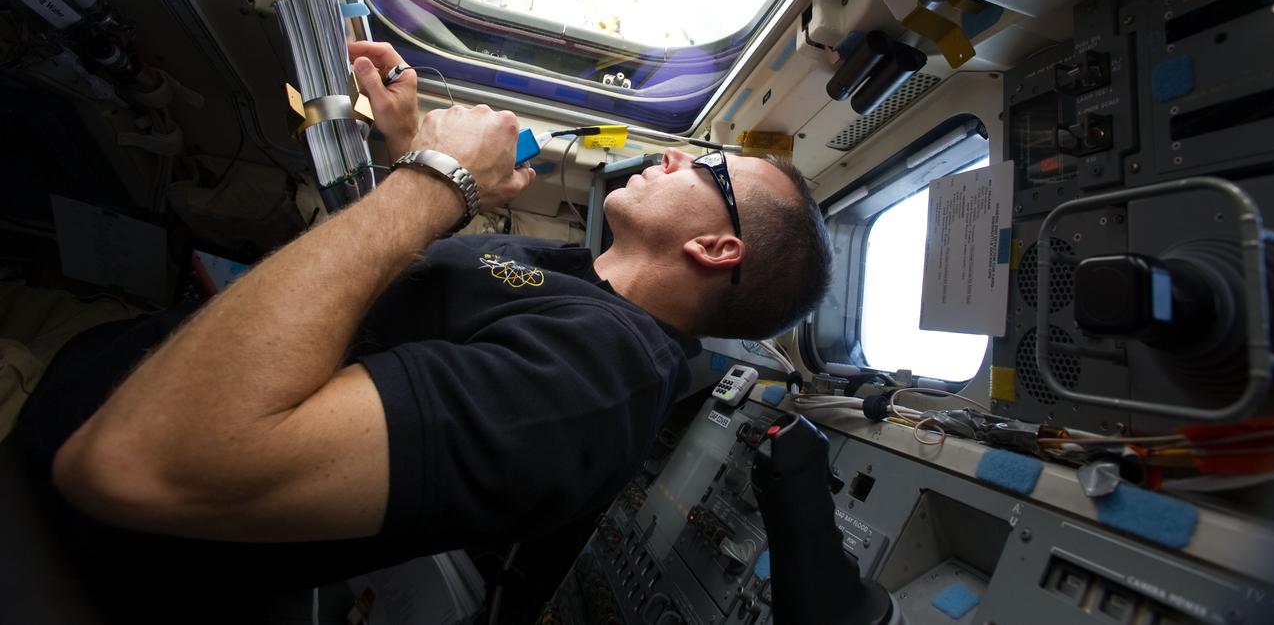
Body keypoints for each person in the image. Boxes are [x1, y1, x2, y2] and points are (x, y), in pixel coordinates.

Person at [3, 40, 832, 620]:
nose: (678, 155)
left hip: (61, 533)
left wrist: (436, 179)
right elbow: (402, 305)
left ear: (716, 247)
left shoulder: (597, 381)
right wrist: (407, 149)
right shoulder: (579, 284)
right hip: (79, 399)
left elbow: (140, 459)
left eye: (709, 168)